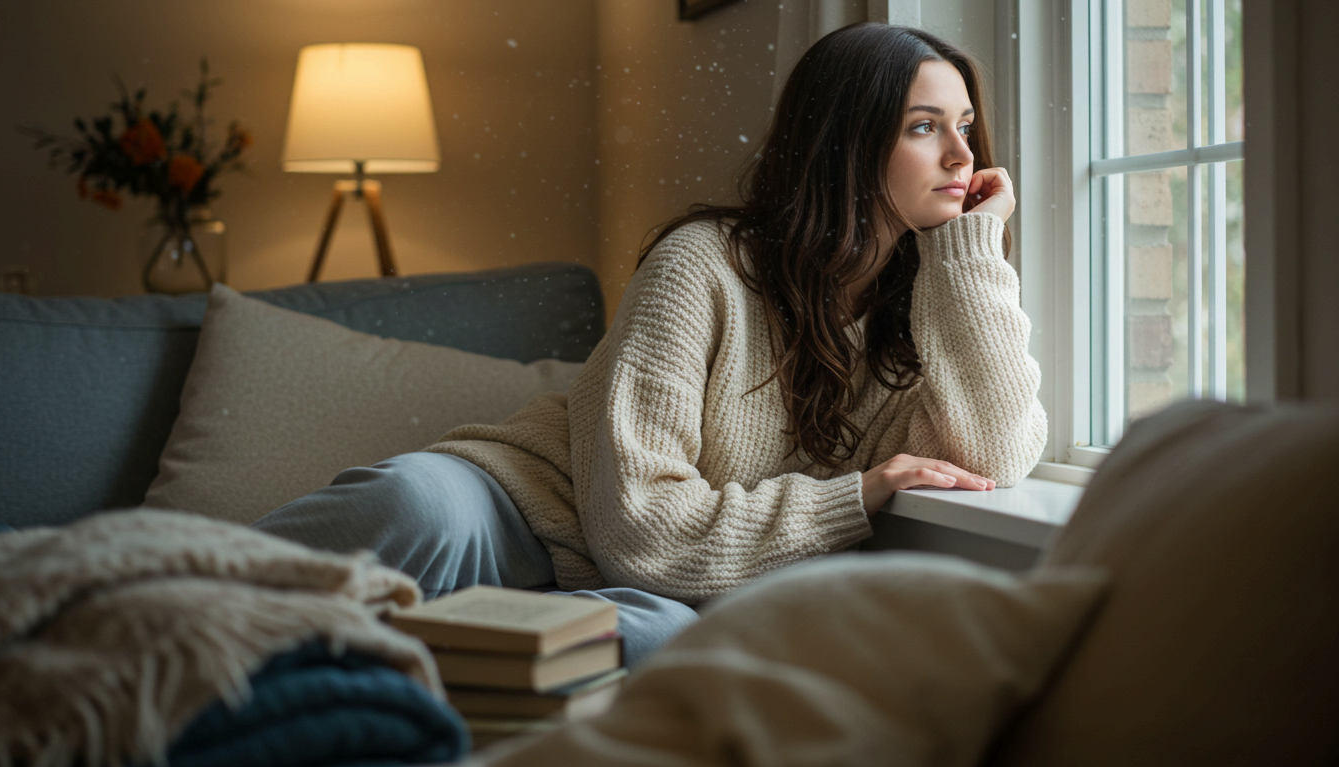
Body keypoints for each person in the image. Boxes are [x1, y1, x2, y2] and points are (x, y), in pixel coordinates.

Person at [251, 22, 1046, 667]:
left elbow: (999, 452)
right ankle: (157, 597)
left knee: (658, 642)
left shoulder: (936, 302)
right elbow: (636, 527)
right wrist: (854, 496)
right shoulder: (704, 264)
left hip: (669, 587)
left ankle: (370, 680)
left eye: (965, 127)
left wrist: (970, 248)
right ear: (845, 144)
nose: (961, 156)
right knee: (419, 505)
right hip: (528, 509)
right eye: (923, 127)